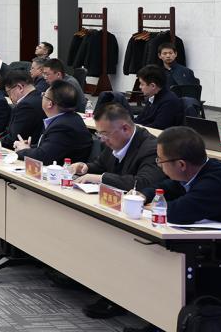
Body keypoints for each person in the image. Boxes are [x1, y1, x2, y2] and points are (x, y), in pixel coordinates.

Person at [144, 126, 221, 323]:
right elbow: (168, 186)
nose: (158, 165)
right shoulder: (200, 171)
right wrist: (144, 195)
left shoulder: (215, 182)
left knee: (193, 285)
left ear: (181, 164)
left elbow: (178, 213)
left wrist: (152, 207)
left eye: (160, 161)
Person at [72, 103, 167, 321]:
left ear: (125, 128)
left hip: (140, 215)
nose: (102, 139)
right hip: (113, 206)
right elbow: (100, 164)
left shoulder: (150, 147)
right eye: (99, 134)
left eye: (104, 134)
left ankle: (117, 294)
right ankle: (81, 275)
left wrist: (101, 178)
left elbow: (143, 183)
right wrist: (85, 167)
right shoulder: (115, 140)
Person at [12, 80, 92, 165]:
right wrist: (28, 147)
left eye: (44, 95)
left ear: (50, 104)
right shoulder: (68, 118)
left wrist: (23, 151)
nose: (42, 97)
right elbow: (49, 146)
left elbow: (43, 157)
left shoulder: (63, 126)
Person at [1, 70, 45, 146]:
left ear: (20, 87)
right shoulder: (40, 96)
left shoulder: (26, 105)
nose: (9, 97)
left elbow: (14, 138)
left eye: (8, 92)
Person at [134, 64, 185, 128]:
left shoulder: (169, 101)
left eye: (142, 84)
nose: (140, 87)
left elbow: (158, 127)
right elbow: (140, 119)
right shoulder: (153, 97)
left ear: (153, 86)